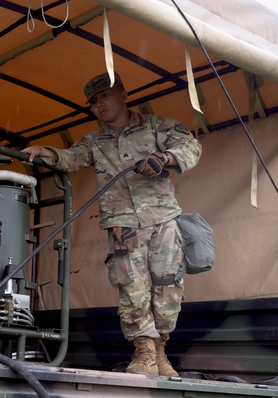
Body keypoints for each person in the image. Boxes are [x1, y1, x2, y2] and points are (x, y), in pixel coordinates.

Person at [22, 72, 202, 376]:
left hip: (162, 219)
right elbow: (70, 158)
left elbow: (191, 146)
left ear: (123, 93)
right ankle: (144, 351)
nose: (98, 105)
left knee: (168, 286)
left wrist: (166, 158)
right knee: (132, 289)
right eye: (92, 102)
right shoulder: (94, 141)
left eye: (103, 96)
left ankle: (161, 352)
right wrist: (45, 153)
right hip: (123, 225)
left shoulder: (157, 126)